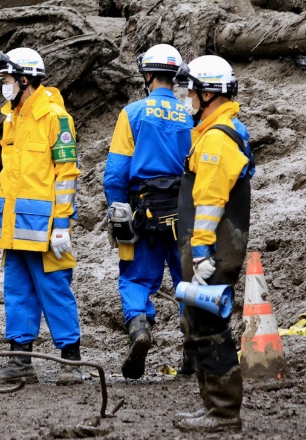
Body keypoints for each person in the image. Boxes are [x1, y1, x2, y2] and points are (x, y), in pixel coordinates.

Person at [0, 48, 85, 385]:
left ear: (24, 79)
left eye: (8, 79)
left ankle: (71, 360)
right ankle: (20, 360)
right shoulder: (13, 116)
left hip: (45, 228)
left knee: (54, 289)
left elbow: (66, 174)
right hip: (15, 227)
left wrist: (62, 224)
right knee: (17, 291)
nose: (4, 85)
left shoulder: (56, 117)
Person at [104, 43, 193, 379]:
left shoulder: (133, 113)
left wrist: (117, 210)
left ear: (148, 73)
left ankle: (140, 328)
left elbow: (115, 173)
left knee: (137, 278)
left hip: (143, 212)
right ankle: (193, 353)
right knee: (188, 280)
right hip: (185, 212)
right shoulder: (191, 116)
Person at [173, 55, 252, 432]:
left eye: (191, 90)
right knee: (198, 326)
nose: (187, 96)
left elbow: (210, 202)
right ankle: (212, 408)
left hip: (213, 252)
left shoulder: (217, 140)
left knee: (209, 327)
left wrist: (202, 251)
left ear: (208, 93)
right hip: (208, 250)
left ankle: (223, 413)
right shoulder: (211, 132)